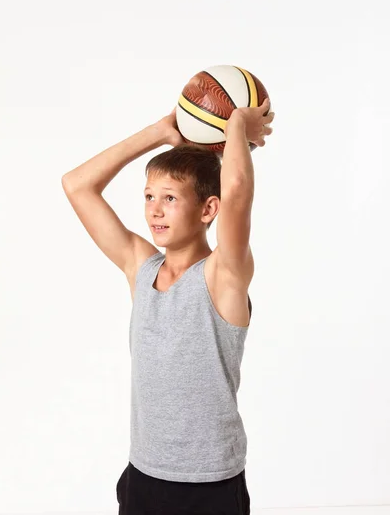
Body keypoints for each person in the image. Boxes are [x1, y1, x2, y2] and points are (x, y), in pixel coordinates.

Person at [61, 98, 274, 515]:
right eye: (148, 196)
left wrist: (234, 125)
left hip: (209, 484)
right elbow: (77, 184)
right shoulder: (140, 266)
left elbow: (234, 192)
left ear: (207, 209)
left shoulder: (223, 276)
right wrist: (159, 132)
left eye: (171, 198)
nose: (154, 210)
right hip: (143, 476)